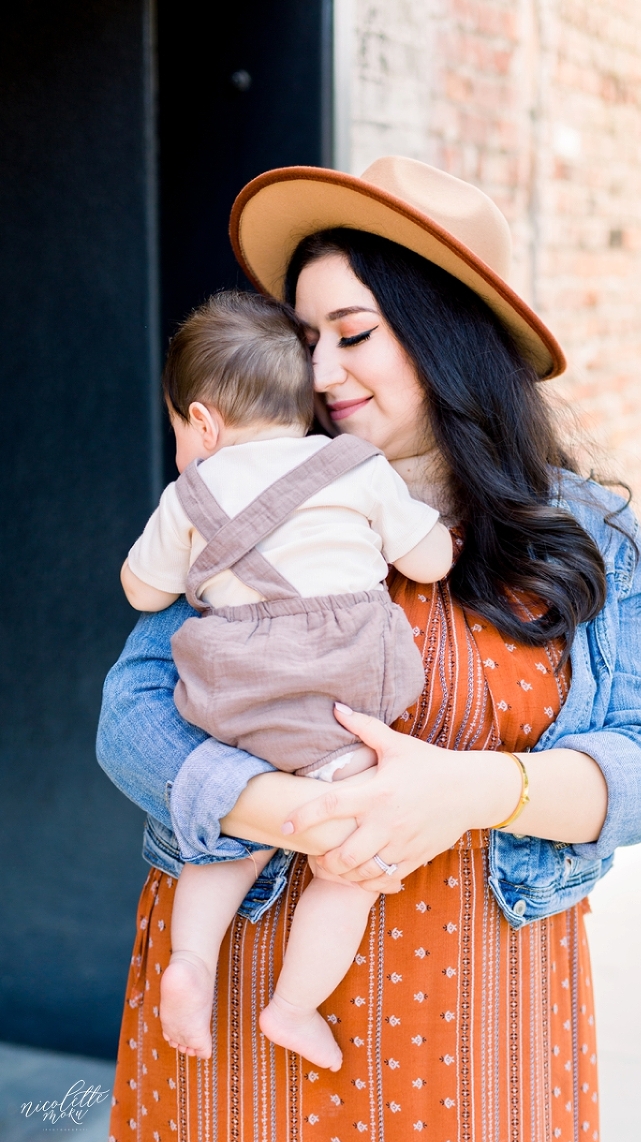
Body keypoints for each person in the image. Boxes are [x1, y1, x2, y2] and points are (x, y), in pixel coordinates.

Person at [98, 156, 641, 1142]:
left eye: (354, 335)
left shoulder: (588, 533)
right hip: (243, 1011)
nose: (319, 373)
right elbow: (132, 722)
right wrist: (300, 813)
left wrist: (466, 791)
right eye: (306, 340)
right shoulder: (249, 495)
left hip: (480, 1025)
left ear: (448, 334)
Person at [120, 288, 452, 1067]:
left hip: (232, 701)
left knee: (228, 827)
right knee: (360, 861)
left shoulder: (188, 494)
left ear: (201, 423)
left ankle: (192, 963)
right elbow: (430, 563)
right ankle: (295, 1006)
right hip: (342, 708)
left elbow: (142, 592)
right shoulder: (355, 467)